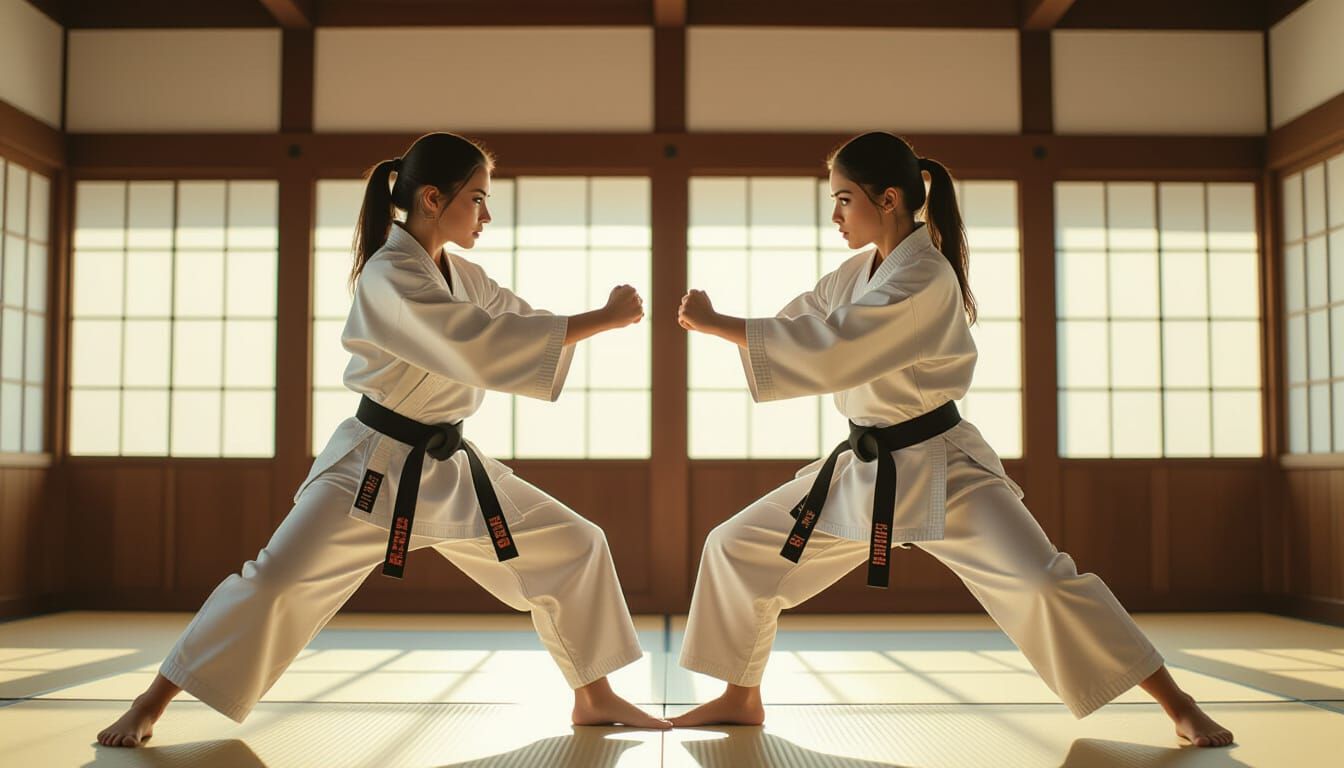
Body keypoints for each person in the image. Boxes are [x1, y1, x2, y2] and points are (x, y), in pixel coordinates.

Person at [98, 132, 670, 747]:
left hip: (450, 468)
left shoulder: (464, 275)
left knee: (575, 543)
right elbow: (474, 342)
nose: (486, 215)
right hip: (372, 469)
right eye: (477, 199)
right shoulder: (389, 273)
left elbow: (514, 324)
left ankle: (595, 696)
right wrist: (600, 319)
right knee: (274, 582)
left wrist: (594, 321)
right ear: (432, 198)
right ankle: (151, 701)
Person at [669, 131, 1234, 748]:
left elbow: (837, 346)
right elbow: (804, 325)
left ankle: (1178, 703)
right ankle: (740, 696)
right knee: (737, 546)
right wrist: (731, 326)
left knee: (1044, 583)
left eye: (844, 199)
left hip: (943, 466)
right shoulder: (855, 272)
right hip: (865, 468)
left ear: (888, 199)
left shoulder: (924, 275)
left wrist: (720, 324)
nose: (835, 215)